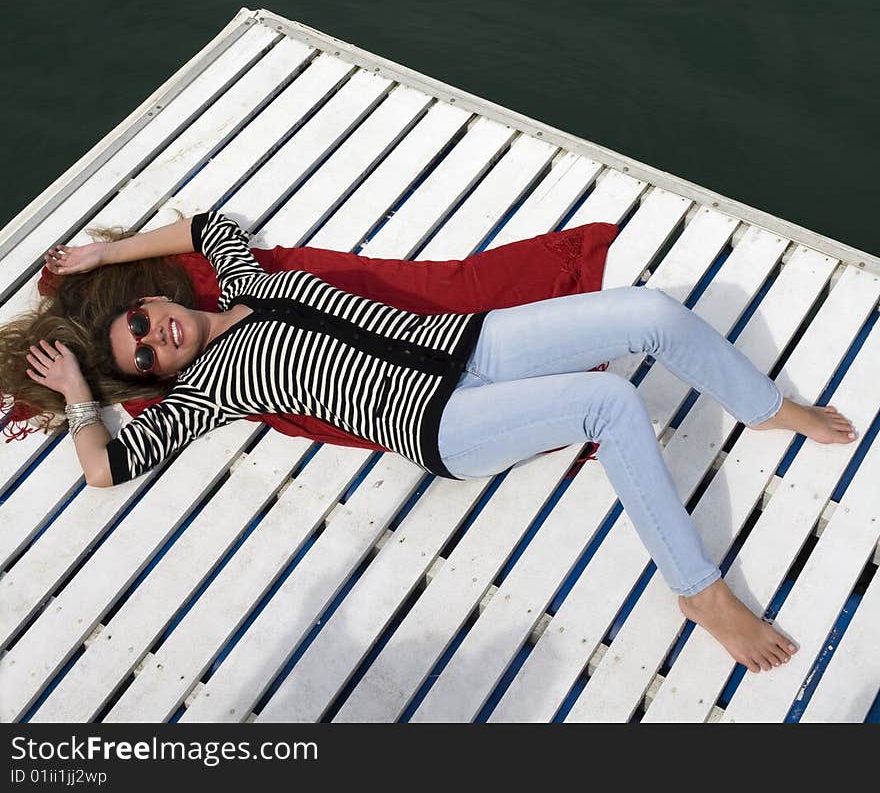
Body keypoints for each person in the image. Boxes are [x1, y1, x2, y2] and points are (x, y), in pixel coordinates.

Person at [22, 209, 857, 678]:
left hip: (475, 343)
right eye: (146, 355)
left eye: (141, 320)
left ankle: (762, 407)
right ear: (158, 373)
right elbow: (106, 469)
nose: (155, 335)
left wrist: (103, 252)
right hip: (442, 422)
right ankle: (699, 592)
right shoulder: (212, 387)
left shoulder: (243, 279)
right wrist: (79, 397)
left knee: (646, 311)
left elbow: (208, 225)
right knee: (611, 403)